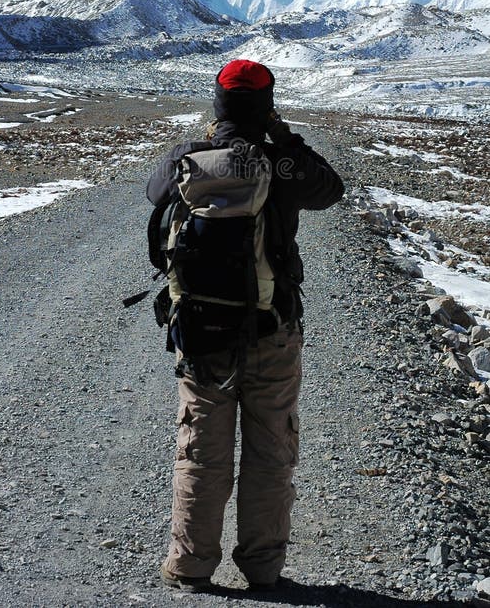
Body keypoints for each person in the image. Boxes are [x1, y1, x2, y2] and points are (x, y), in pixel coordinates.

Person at [146, 58, 344, 592]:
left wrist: (207, 143)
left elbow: (152, 191)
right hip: (272, 329)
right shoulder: (281, 160)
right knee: (270, 451)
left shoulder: (190, 155)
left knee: (201, 452)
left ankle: (189, 565)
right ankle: (262, 569)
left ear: (218, 100)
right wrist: (282, 137)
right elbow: (330, 189)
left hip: (203, 334)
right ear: (267, 101)